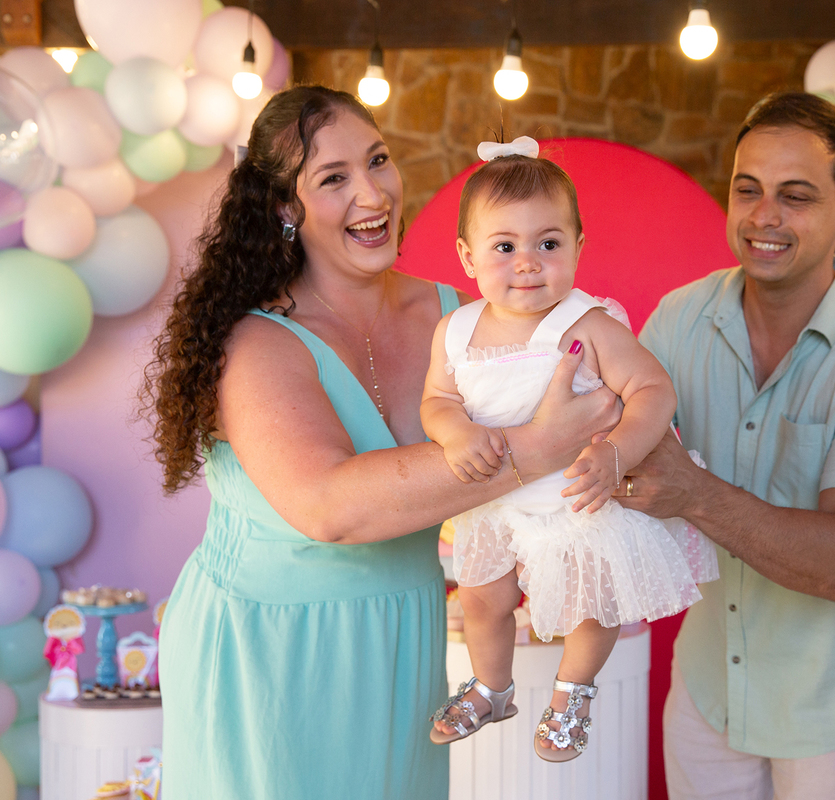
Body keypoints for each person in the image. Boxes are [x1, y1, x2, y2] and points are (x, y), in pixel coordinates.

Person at [144, 87, 618, 798]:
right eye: (333, 178)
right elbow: (328, 505)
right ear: (286, 207)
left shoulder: (465, 315)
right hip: (266, 650)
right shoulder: (254, 342)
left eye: (378, 160)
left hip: (402, 633)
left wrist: (613, 452)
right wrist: (540, 445)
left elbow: (587, 407)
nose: (372, 194)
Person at [618, 92, 835, 799]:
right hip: (707, 688)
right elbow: (615, 442)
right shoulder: (679, 319)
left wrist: (694, 493)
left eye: (796, 196)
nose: (764, 216)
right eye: (748, 189)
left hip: (832, 704)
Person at [422, 138, 717, 762]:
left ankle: (572, 693)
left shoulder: (590, 325)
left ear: (579, 247)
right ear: (467, 256)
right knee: (481, 598)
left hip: (576, 496)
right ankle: (491, 687)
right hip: (499, 496)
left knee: (591, 600)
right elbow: (437, 401)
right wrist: (455, 432)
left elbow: (654, 390)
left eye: (549, 244)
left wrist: (616, 453)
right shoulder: (456, 331)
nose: (528, 263)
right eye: (505, 247)